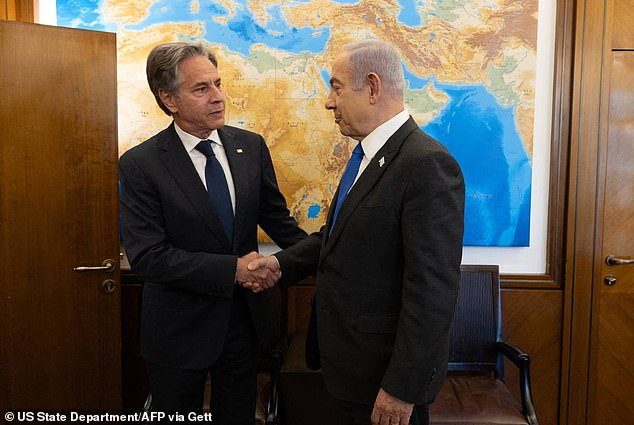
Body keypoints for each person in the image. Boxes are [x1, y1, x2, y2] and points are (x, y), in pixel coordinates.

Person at [247, 40, 465, 425]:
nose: (329, 102)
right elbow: (334, 239)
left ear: (373, 87)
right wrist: (278, 265)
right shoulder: (366, 156)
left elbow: (432, 291)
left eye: (337, 87)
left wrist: (402, 388)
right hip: (350, 370)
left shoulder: (426, 164)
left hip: (385, 381)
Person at [118, 41, 307, 423]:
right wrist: (233, 270)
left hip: (243, 324)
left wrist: (322, 254)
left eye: (218, 83)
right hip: (176, 331)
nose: (219, 97)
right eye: (202, 89)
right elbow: (149, 257)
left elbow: (278, 222)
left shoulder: (250, 147)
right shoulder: (141, 165)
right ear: (169, 99)